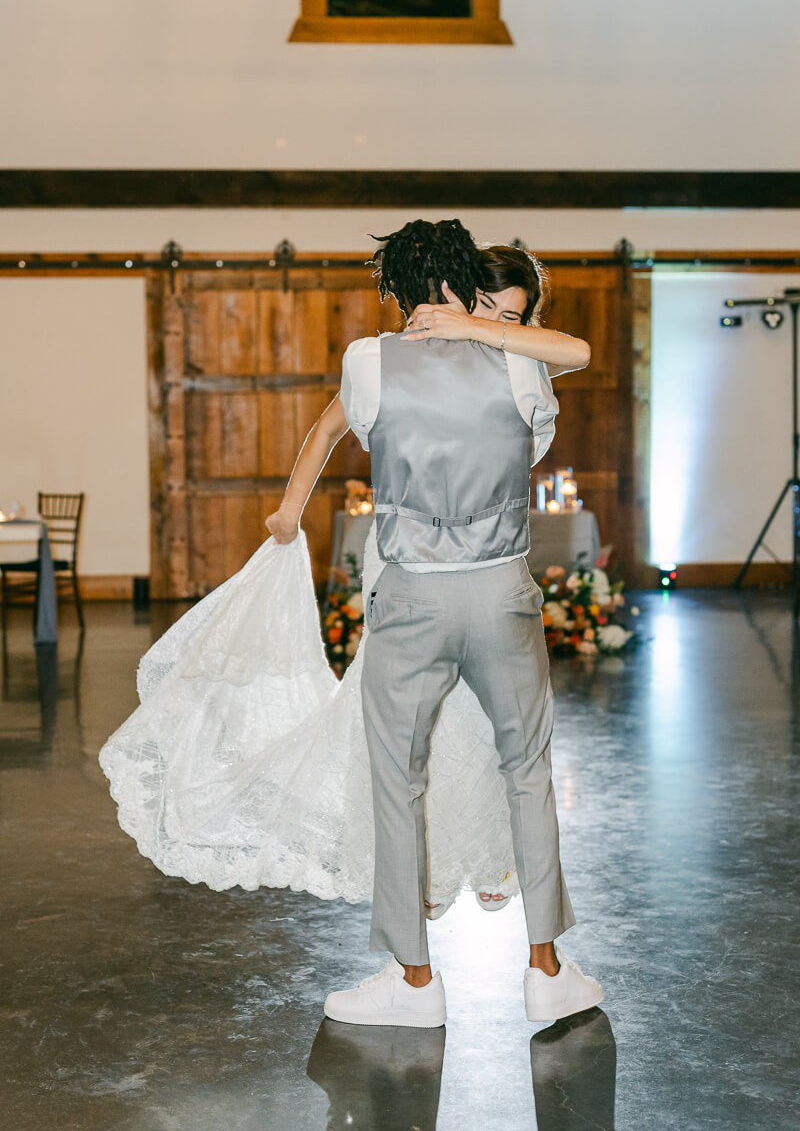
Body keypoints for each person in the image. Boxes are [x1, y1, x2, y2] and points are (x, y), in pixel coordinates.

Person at [98, 222, 603, 1027]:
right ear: (469, 283)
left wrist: (293, 512)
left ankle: (412, 985)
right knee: (528, 772)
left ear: (395, 290)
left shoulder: (370, 361)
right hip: (501, 590)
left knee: (396, 783)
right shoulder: (521, 359)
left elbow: (359, 430)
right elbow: (533, 443)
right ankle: (545, 970)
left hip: (411, 598)